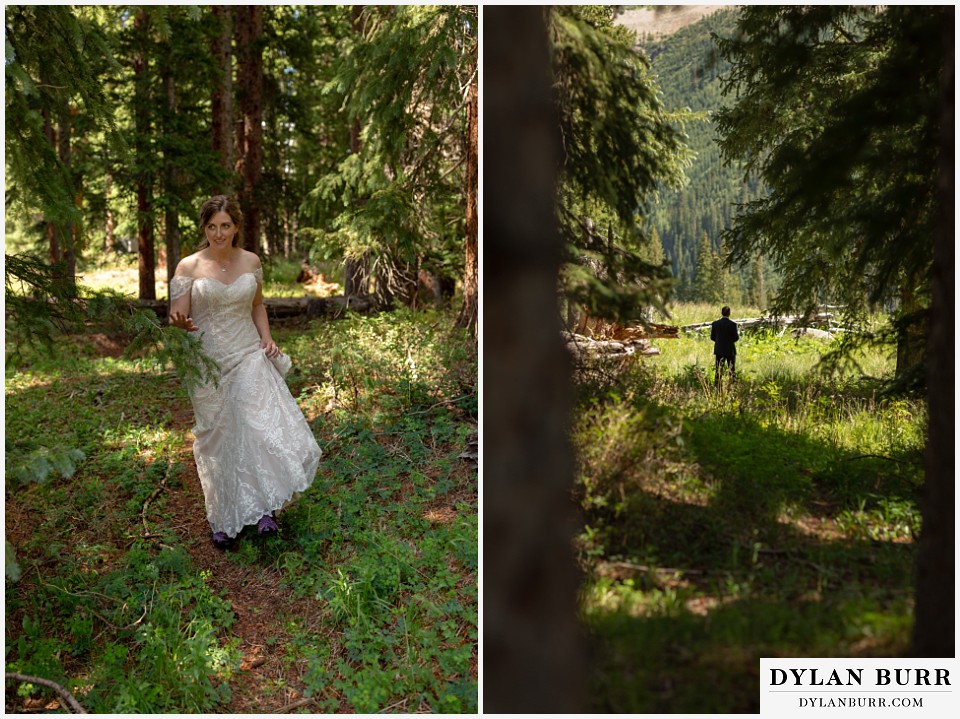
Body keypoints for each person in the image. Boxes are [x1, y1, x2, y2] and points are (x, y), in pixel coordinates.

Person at [168, 195, 321, 550]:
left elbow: (257, 306)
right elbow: (178, 315)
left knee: (256, 424)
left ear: (236, 226)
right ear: (204, 228)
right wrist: (181, 325)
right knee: (217, 439)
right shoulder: (188, 266)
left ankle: (266, 508)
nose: (218, 233)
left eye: (225, 226)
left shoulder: (251, 261)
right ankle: (222, 517)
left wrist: (267, 339)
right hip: (207, 360)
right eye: (211, 227)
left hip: (248, 351)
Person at [710, 305, 739, 386]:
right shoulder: (733, 324)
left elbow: (712, 337)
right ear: (729, 313)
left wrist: (720, 342)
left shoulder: (715, 324)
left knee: (718, 370)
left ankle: (717, 386)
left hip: (719, 350)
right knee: (732, 370)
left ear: (721, 313)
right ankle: (733, 386)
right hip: (730, 350)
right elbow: (736, 338)